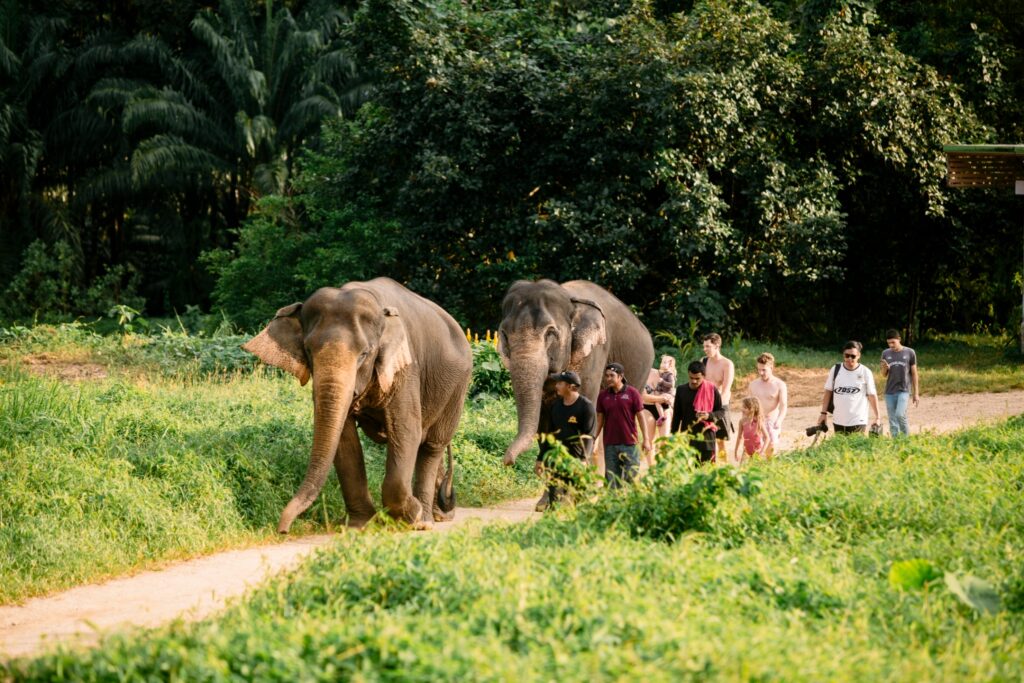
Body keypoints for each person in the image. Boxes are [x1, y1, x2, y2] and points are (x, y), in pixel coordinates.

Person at [535, 371, 596, 510]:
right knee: (554, 502)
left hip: (576, 461)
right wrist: (540, 459)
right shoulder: (555, 406)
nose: (556, 386)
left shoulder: (586, 406)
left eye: (559, 383)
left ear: (570, 386)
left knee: (578, 503)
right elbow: (549, 435)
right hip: (557, 459)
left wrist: (584, 459)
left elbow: (589, 436)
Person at [596, 362, 651, 488]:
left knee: (631, 477)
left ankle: (628, 499)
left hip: (630, 443)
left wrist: (646, 439)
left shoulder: (633, 393)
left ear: (620, 376)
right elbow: (600, 420)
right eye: (607, 376)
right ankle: (612, 500)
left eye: (612, 375)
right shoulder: (603, 396)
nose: (608, 378)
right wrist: (593, 438)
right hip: (610, 444)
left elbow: (641, 417)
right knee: (611, 480)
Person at [817, 341, 882, 435]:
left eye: (853, 356)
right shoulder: (835, 369)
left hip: (858, 420)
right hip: (838, 420)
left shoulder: (865, 372)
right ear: (843, 355)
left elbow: (872, 395)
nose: (849, 358)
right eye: (847, 355)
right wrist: (823, 413)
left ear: (858, 355)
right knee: (840, 444)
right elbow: (828, 392)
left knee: (856, 444)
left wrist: (878, 417)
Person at [671, 360, 724, 463]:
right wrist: (673, 436)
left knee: (707, 470)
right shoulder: (681, 390)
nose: (694, 381)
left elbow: (721, 411)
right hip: (687, 438)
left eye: (697, 378)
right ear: (688, 374)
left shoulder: (712, 390)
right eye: (691, 378)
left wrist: (709, 415)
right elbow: (677, 415)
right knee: (688, 470)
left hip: (707, 438)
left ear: (704, 376)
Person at [746, 352, 788, 457]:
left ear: (771, 368)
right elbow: (748, 405)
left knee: (770, 452)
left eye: (764, 370)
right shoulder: (753, 385)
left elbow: (783, 405)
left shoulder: (780, 385)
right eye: (759, 369)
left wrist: (779, 420)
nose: (761, 373)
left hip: (771, 421)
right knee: (755, 452)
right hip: (756, 421)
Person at [702, 333, 735, 461]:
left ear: (717, 346)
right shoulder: (703, 361)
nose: (705, 349)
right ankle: (710, 467)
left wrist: (715, 409)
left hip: (720, 405)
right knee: (706, 441)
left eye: (708, 346)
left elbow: (726, 390)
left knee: (721, 442)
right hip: (705, 406)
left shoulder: (727, 364)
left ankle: (724, 468)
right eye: (704, 346)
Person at [880, 329, 919, 437]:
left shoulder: (910, 352)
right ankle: (896, 441)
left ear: (899, 339)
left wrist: (916, 393)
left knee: (900, 415)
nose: (891, 345)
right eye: (889, 343)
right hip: (889, 391)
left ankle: (906, 439)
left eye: (893, 342)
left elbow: (914, 373)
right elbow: (883, 374)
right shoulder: (885, 353)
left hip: (904, 390)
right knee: (892, 419)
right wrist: (885, 369)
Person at [644, 355, 677, 434]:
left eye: (665, 362)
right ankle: (661, 416)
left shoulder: (667, 374)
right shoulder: (642, 374)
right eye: (662, 362)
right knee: (649, 439)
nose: (662, 364)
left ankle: (662, 416)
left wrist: (671, 397)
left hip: (665, 406)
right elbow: (643, 396)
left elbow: (672, 387)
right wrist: (660, 399)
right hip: (649, 407)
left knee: (664, 438)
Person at [733, 396, 770, 464]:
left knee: (756, 469)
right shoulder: (742, 421)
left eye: (745, 407)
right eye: (742, 407)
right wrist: (736, 451)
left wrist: (762, 451)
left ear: (752, 409)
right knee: (743, 469)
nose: (742, 409)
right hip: (746, 452)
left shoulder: (759, 421)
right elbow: (739, 437)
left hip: (757, 452)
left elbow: (767, 437)